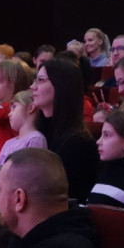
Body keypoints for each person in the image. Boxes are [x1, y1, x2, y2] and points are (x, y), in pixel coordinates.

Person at [31, 59, 100, 202]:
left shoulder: (78, 143)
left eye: (41, 80)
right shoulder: (37, 131)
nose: (33, 87)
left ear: (61, 86)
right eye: (35, 80)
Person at [0, 90, 47, 183]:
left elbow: (29, 176)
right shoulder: (9, 143)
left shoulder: (35, 139)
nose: (9, 114)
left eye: (14, 107)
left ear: (31, 108)